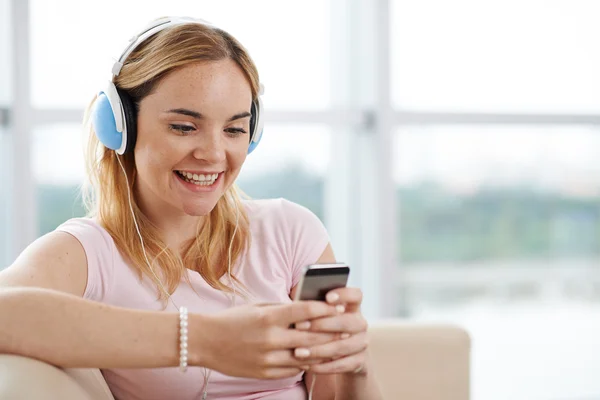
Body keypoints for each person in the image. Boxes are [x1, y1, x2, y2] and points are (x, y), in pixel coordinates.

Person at [0, 16, 383, 400]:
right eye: (184, 127)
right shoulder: (89, 253)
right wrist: (202, 340)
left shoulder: (290, 231)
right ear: (120, 127)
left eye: (234, 130)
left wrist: (353, 366)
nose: (214, 154)